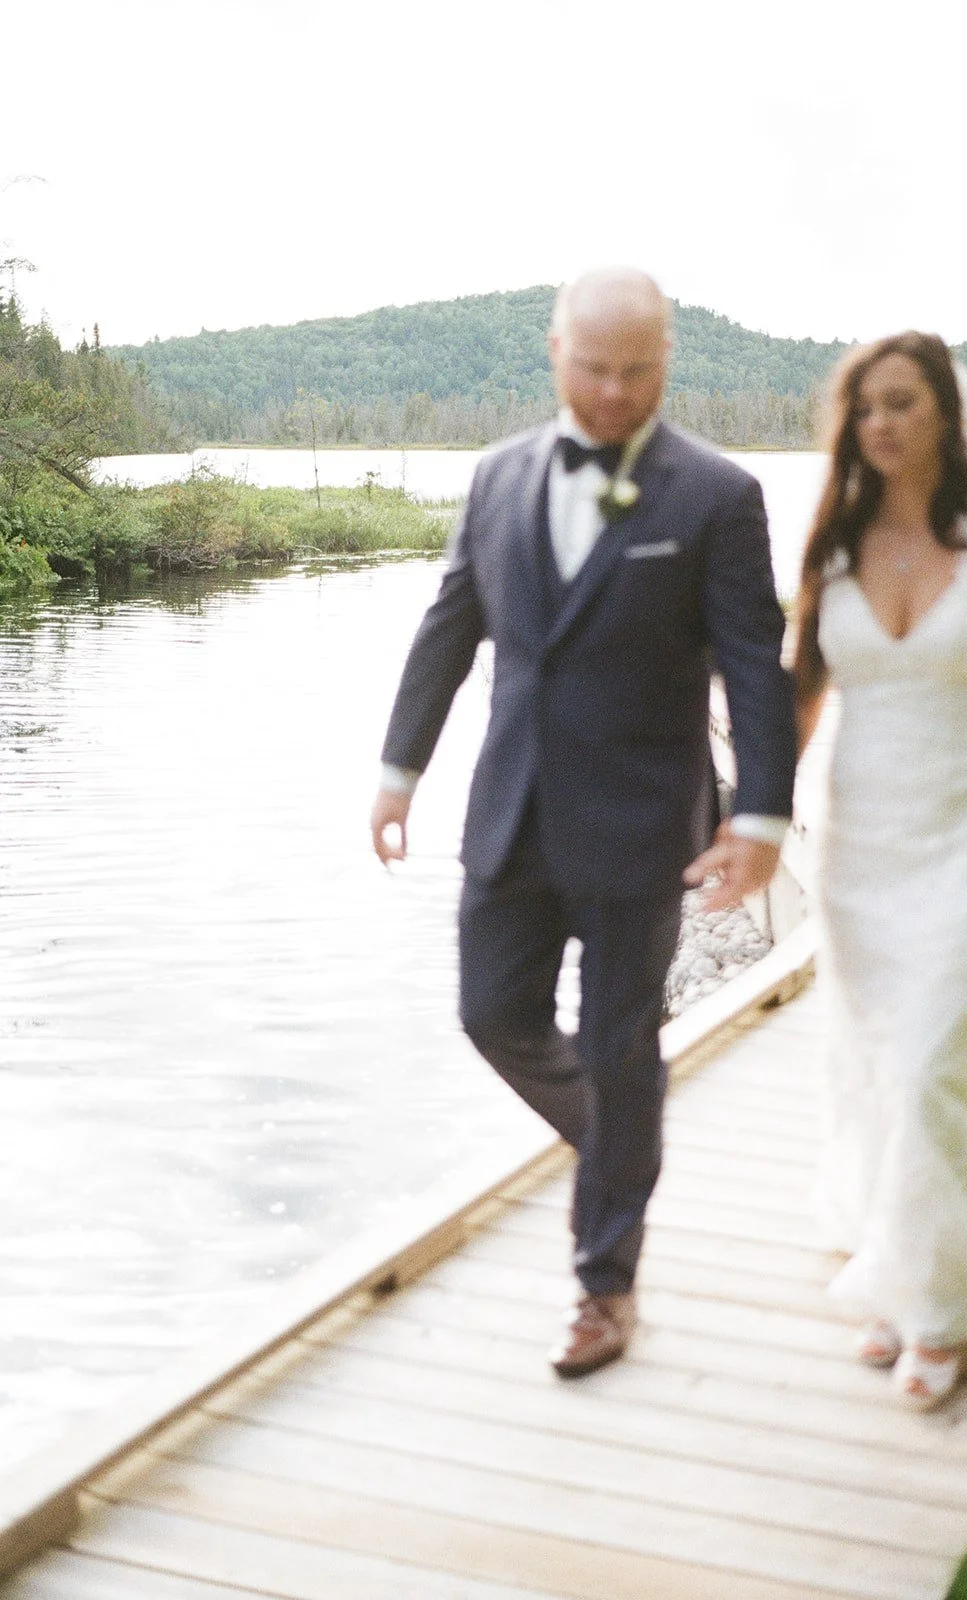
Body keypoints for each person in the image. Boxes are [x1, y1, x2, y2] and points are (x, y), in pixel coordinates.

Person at [371, 267, 797, 1377]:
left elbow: (754, 666)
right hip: (508, 814)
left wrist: (759, 813)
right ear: (553, 349)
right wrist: (396, 770)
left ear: (666, 360)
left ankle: (603, 1285)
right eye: (595, 368)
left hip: (642, 825)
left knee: (619, 1045)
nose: (614, 393)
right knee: (490, 1013)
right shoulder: (496, 475)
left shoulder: (714, 495)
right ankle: (622, 1150)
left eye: (638, 370)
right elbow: (449, 625)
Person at [794, 331, 967, 1409]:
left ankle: (951, 1312)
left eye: (901, 402)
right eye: (864, 406)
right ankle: (912, 1269)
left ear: (944, 416)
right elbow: (797, 698)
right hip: (858, 850)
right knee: (879, 1060)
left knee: (932, 1066)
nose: (880, 423)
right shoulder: (831, 545)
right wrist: (745, 821)